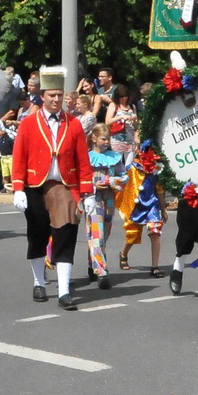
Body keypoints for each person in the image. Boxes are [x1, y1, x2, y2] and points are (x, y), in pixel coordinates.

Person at [10, 66, 94, 310]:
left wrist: (87, 193)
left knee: (66, 235)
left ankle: (65, 292)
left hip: (65, 186)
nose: (56, 100)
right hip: (35, 186)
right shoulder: (28, 124)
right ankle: (39, 282)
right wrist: (17, 188)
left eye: (60, 95)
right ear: (43, 96)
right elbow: (19, 158)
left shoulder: (74, 124)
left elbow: (83, 161)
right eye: (51, 95)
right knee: (36, 235)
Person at [116, 140, 165, 277]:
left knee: (155, 233)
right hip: (137, 206)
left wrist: (163, 209)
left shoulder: (157, 168)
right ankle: (123, 253)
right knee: (132, 235)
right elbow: (125, 186)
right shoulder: (132, 168)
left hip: (152, 205)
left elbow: (159, 190)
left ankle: (155, 267)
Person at [86, 122, 123, 288]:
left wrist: (114, 181)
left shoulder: (114, 157)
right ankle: (102, 272)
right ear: (94, 138)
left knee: (104, 235)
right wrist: (94, 185)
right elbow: (82, 179)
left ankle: (92, 263)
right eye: (103, 139)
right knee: (97, 235)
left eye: (108, 139)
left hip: (109, 198)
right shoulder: (87, 157)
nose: (106, 142)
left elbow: (124, 176)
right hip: (92, 198)